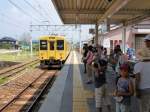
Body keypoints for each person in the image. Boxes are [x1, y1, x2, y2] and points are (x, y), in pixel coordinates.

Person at [134, 34, 150, 112]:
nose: (146, 43)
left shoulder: (138, 65)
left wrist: (136, 91)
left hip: (143, 90)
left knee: (144, 109)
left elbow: (137, 80)